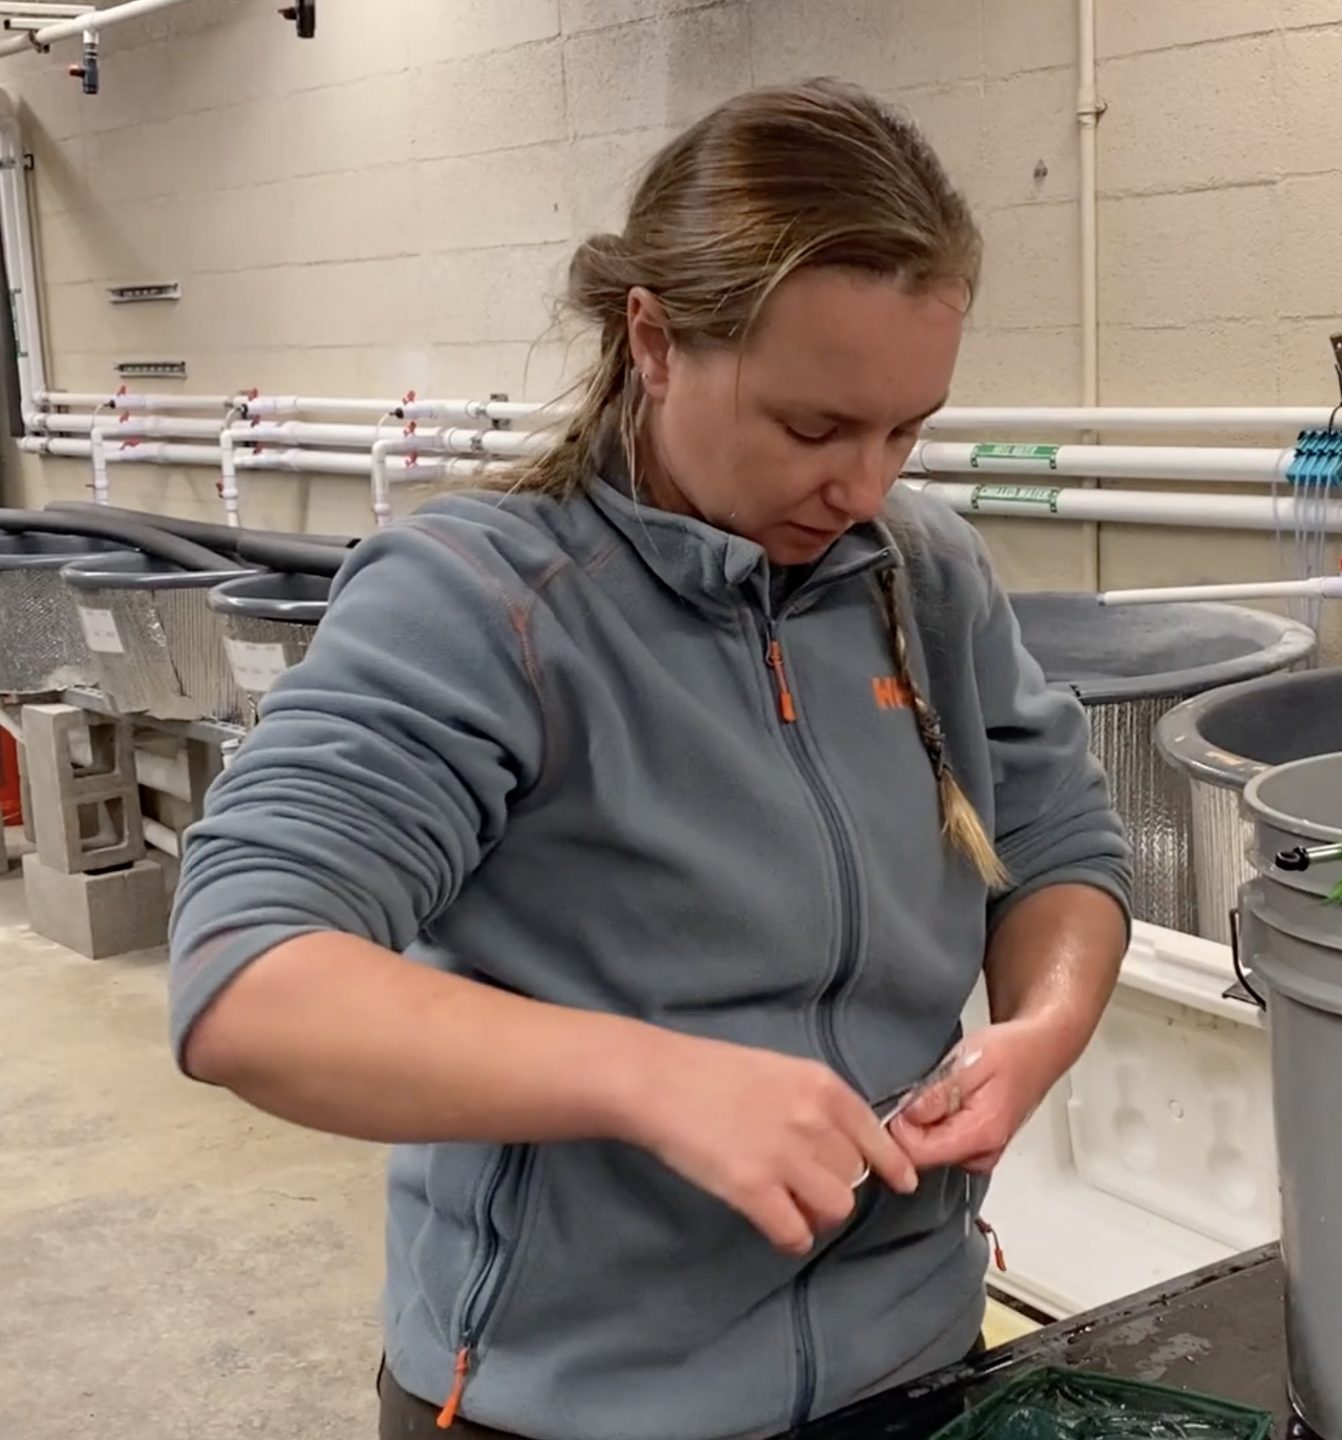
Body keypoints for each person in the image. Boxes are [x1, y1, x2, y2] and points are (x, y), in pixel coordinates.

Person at [167, 79, 1131, 1440]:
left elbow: (1059, 847)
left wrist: (1038, 1036)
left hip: (910, 1362)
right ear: (657, 339)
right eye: (814, 428)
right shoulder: (485, 606)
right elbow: (247, 980)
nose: (864, 485)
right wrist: (651, 1078)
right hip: (576, 1402)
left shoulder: (920, 573)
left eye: (906, 430)